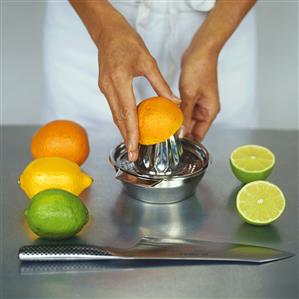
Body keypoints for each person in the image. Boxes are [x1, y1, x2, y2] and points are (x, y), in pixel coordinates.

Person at [43, 0, 257, 162]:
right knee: (75, 162)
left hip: (219, 19)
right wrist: (103, 29)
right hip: (93, 17)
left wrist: (210, 45)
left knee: (223, 159)